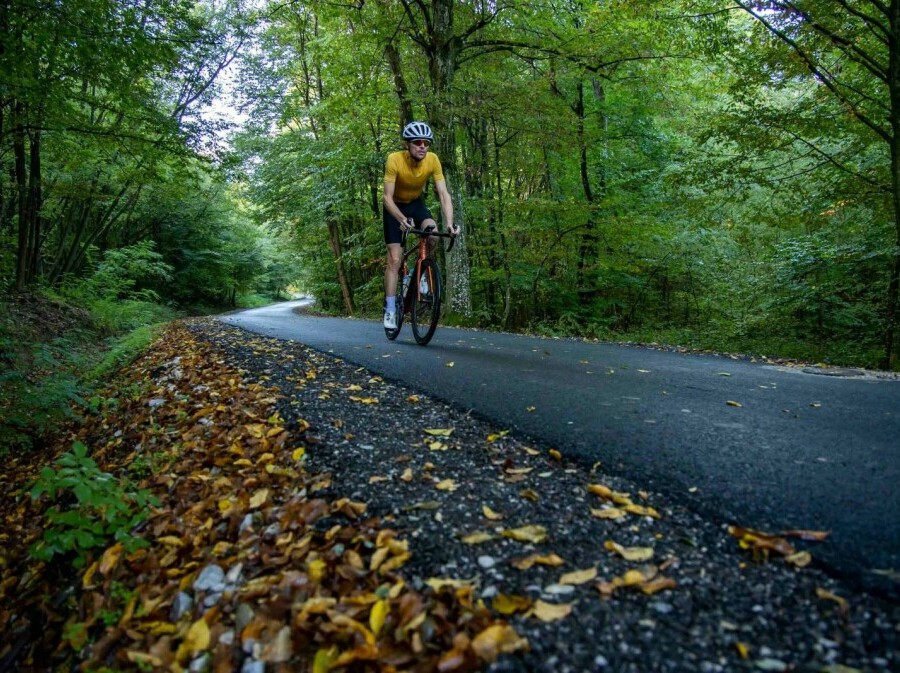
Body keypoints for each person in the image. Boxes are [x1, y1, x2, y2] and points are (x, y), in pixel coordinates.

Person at [382, 121, 459, 330]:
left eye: (426, 143)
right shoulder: (394, 160)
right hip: (394, 207)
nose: (423, 146)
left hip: (416, 205)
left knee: (432, 235)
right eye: (417, 142)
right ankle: (390, 309)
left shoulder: (432, 160)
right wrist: (400, 219)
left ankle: (419, 273)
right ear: (407, 144)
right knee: (395, 259)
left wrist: (450, 224)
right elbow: (386, 198)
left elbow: (443, 194)